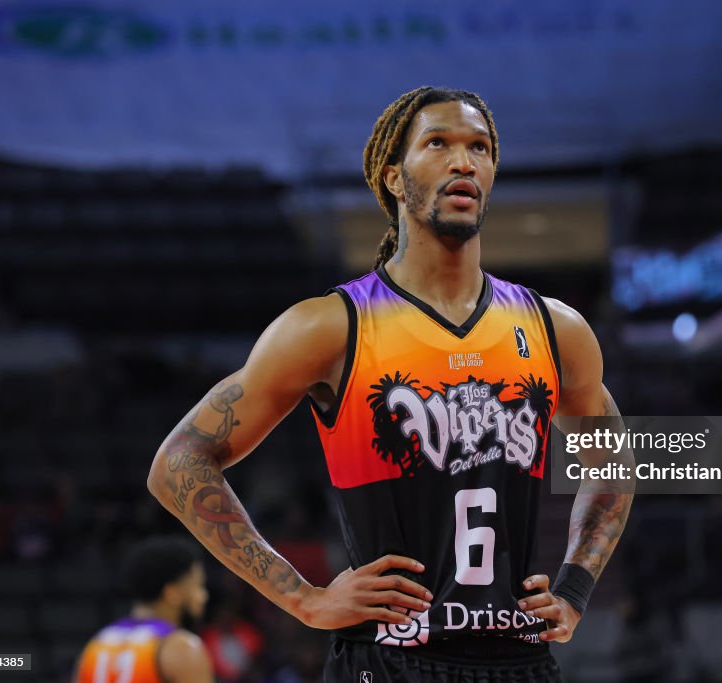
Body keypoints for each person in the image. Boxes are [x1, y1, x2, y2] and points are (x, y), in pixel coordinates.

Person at [148, 85, 633, 682]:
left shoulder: (555, 328)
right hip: (389, 657)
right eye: (439, 144)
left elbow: (615, 458)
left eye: (479, 148)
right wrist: (303, 598)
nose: (464, 161)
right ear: (395, 178)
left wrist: (576, 588)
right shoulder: (329, 326)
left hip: (519, 661)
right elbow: (178, 463)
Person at [74, 536, 212, 683]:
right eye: (198, 585)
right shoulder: (183, 647)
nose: (204, 596)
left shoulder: (96, 645)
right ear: (172, 592)